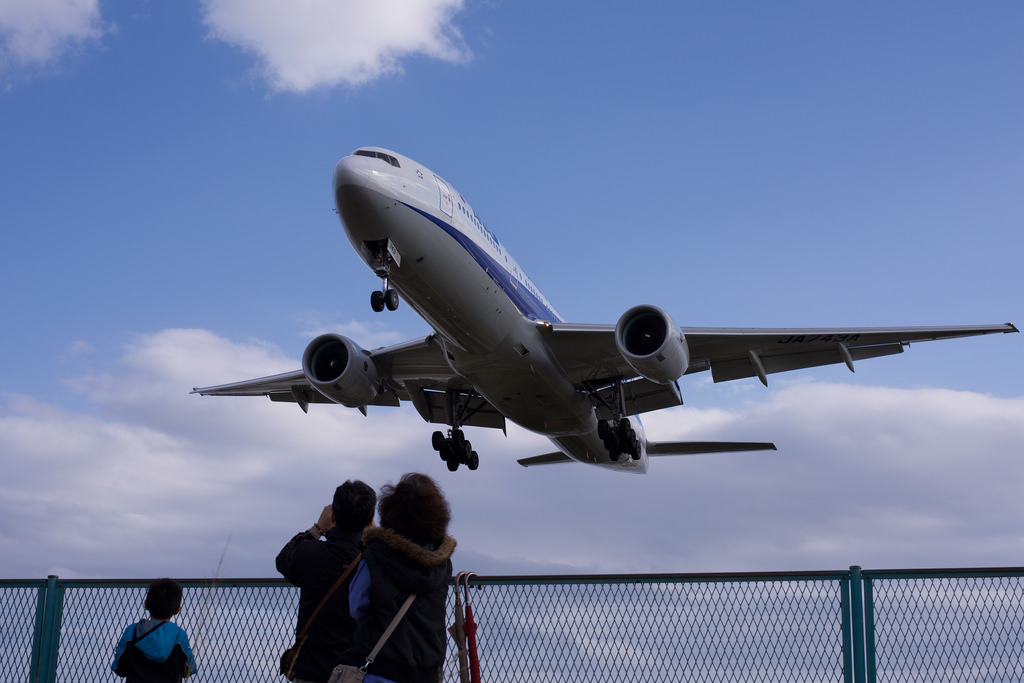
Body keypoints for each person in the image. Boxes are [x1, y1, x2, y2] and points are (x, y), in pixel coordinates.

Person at [336, 473, 457, 683]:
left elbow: (356, 606)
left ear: (390, 511)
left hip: (380, 669)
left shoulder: (376, 555)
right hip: (427, 671)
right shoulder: (441, 563)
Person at [277, 480, 377, 683]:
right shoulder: (374, 561)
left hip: (310, 670)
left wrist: (316, 529)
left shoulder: (310, 554)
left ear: (333, 515)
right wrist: (375, 535)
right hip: (355, 674)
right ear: (369, 520)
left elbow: (283, 559)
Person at [111, 577, 198, 682]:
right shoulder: (178, 635)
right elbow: (189, 669)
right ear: (177, 609)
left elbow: (119, 668)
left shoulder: (132, 631)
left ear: (146, 604)